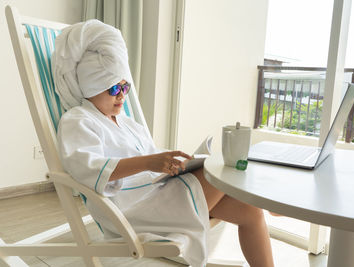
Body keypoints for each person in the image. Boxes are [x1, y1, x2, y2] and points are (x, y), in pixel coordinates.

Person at [53, 19, 274, 267]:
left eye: (125, 86)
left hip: (157, 194)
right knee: (223, 169)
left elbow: (151, 156)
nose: (122, 95)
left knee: (250, 211)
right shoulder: (77, 120)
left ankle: (266, 204)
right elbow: (88, 170)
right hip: (131, 210)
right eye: (113, 88)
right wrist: (150, 162)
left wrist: (174, 162)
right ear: (90, 86)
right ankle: (274, 199)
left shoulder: (125, 122)